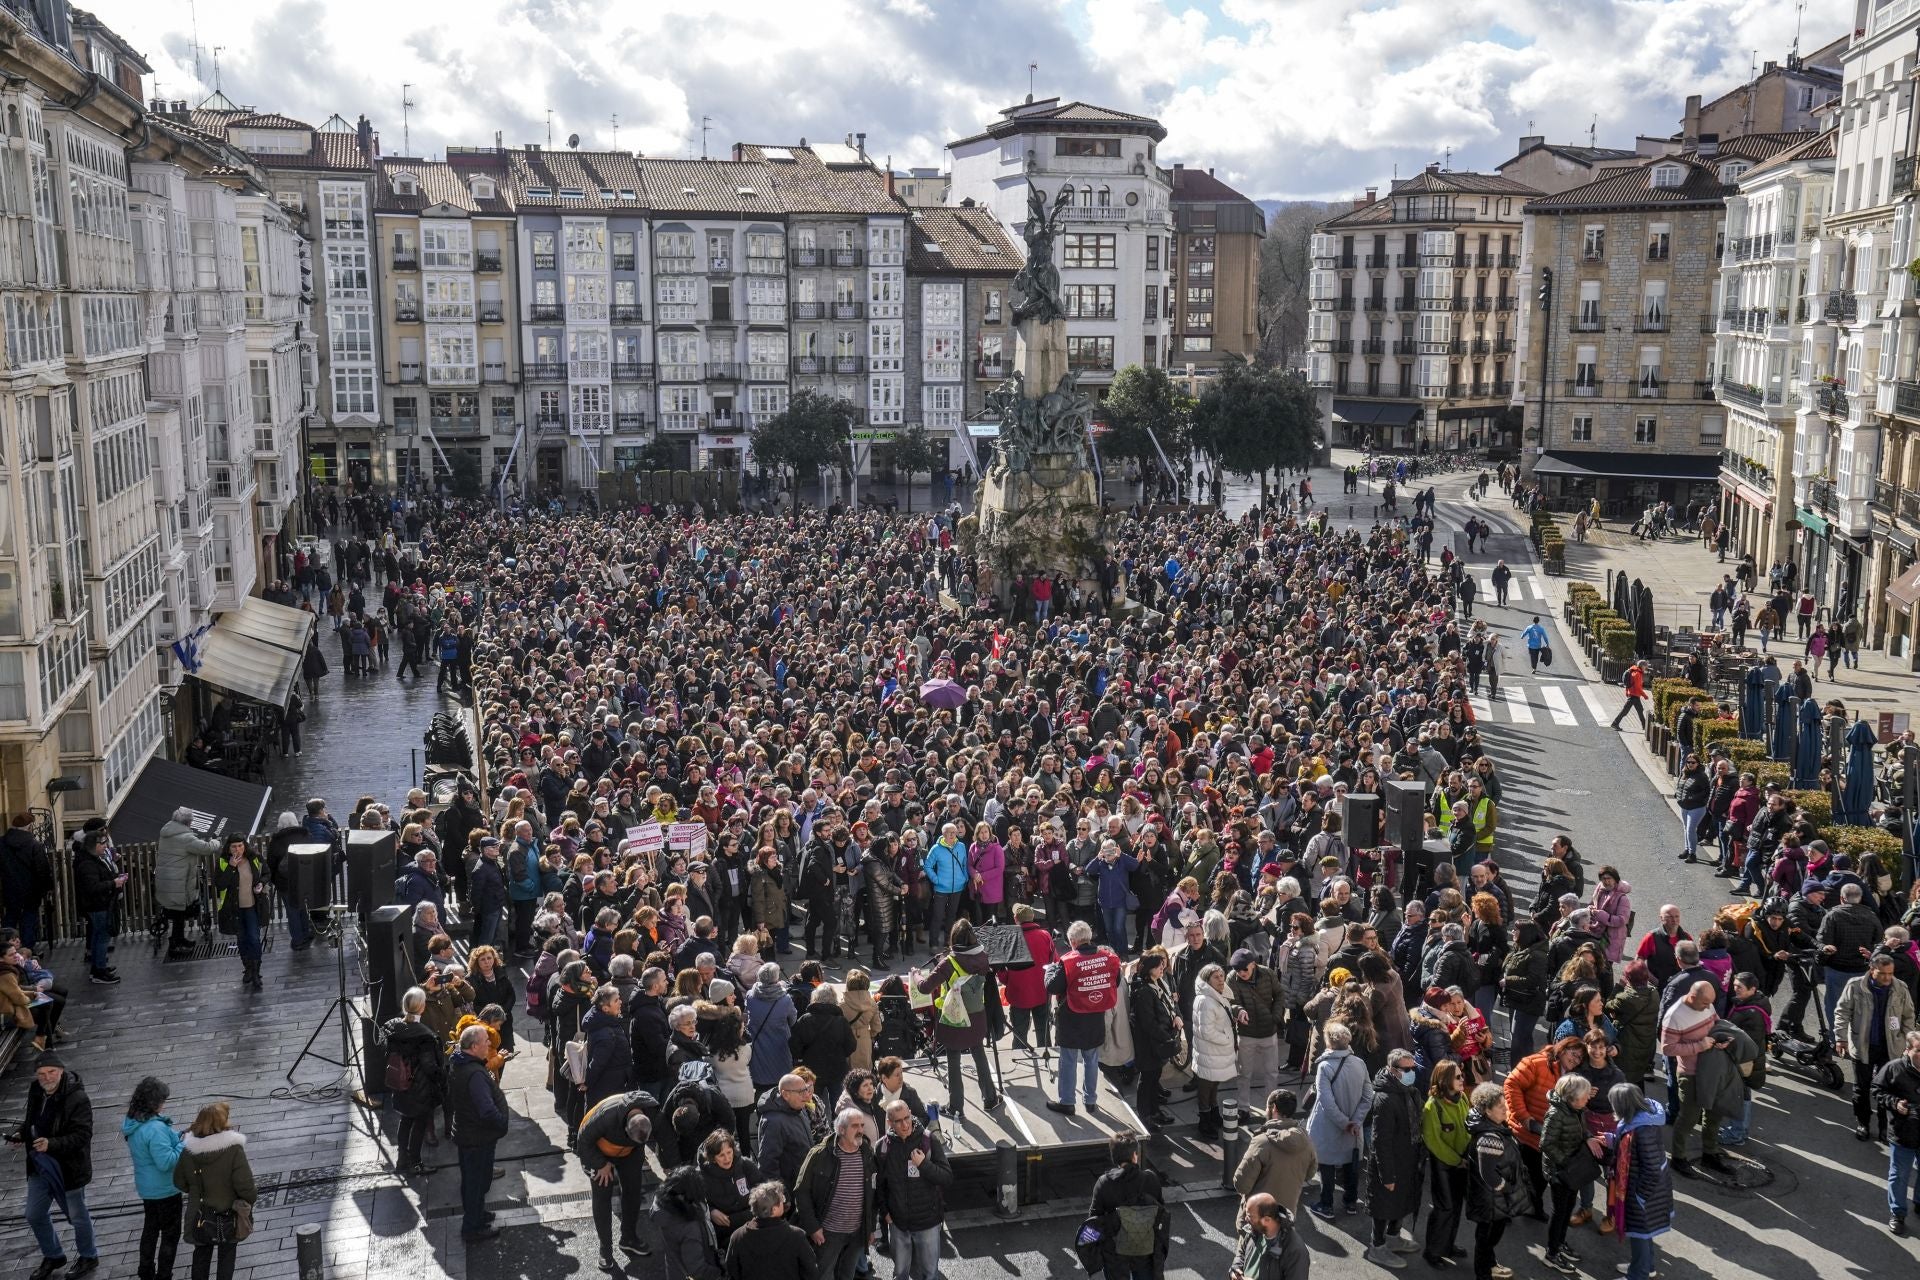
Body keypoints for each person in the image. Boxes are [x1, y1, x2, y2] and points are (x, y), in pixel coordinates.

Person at [10, 1055, 100, 1280]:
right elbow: (32, 1120)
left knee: (77, 1216)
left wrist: (52, 1144)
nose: (46, 1077)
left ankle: (89, 1256)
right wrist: (22, 1133)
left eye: (50, 1072)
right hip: (40, 1165)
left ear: (61, 1070)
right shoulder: (36, 1090)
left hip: (68, 1169)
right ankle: (53, 1255)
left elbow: (83, 1135)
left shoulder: (77, 1098)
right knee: (34, 1213)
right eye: (41, 1073)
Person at [913, 919, 1003, 1119]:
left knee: (953, 1059)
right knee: (979, 1052)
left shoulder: (949, 963)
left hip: (954, 1018)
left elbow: (924, 987)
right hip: (977, 1015)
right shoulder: (982, 956)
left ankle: (956, 1107)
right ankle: (990, 1098)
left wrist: (917, 975)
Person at [1837, 954, 1917, 1142]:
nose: (1887, 978)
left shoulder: (1900, 988)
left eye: (1890, 974)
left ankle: (1884, 1127)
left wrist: (1906, 1042)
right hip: (1863, 1046)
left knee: (1886, 1090)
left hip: (1890, 1049)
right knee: (1861, 1089)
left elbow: (1908, 1017)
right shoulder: (1855, 986)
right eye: (1882, 974)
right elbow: (1842, 1012)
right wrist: (1841, 1039)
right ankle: (1863, 1123)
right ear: (1872, 970)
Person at [1045, 918, 1122, 1115]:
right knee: (1091, 1059)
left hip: (1072, 1018)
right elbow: (1117, 981)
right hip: (1096, 1016)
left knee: (1068, 1060)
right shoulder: (1110, 958)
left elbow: (1052, 987)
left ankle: (1067, 1102)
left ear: (1073, 941)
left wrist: (1050, 971)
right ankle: (1090, 1101)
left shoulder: (1068, 961)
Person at [172, 1102, 255, 1280]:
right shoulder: (233, 1149)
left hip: (200, 1215)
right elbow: (245, 1185)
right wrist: (249, 1200)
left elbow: (179, 1181)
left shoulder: (189, 1150)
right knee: (227, 1255)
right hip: (229, 1214)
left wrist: (195, 1189)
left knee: (201, 1254)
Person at [792, 1108, 876, 1280]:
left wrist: (870, 1227)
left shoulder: (867, 1152)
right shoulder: (820, 1154)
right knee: (824, 1275)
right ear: (841, 1130)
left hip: (857, 1232)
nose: (860, 1130)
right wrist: (813, 1227)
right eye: (855, 1126)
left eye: (862, 1125)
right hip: (828, 1232)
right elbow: (801, 1192)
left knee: (847, 1274)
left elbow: (873, 1194)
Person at [875, 1099, 952, 1280]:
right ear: (889, 1123)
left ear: (911, 1113)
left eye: (907, 1118)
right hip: (898, 1224)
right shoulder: (882, 1147)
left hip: (927, 1223)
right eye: (898, 1121)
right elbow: (879, 1185)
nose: (905, 1124)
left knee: (929, 1274)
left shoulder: (928, 1139)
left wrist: (923, 1164)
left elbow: (947, 1177)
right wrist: (885, 1212)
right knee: (900, 1272)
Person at [1365, 1046, 1426, 1268]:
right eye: (1406, 1068)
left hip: (1407, 1159)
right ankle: (1378, 1247)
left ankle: (1393, 1237)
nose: (1412, 1072)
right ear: (1392, 1070)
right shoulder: (1385, 1098)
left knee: (1401, 1202)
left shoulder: (1408, 1091)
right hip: (1389, 1163)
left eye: (1413, 1068)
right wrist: (1387, 1175)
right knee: (1384, 1206)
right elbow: (1380, 1141)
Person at [449, 1023, 511, 1241]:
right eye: (486, 1041)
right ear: (474, 1046)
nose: (489, 1044)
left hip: (469, 1133)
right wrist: (501, 1122)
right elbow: (486, 1109)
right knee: (476, 1182)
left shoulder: (462, 1064)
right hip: (477, 1137)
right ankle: (473, 1227)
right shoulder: (474, 1074)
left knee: (473, 1180)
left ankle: (477, 1214)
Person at [1306, 1021, 1372, 1219]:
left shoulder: (1324, 1066)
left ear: (1328, 1042)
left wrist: (1344, 1123)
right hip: (1353, 1128)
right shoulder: (1359, 1063)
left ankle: (1326, 1204)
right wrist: (1355, 1122)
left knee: (1326, 1165)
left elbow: (1326, 1101)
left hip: (1328, 1126)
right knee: (1350, 1164)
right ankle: (1350, 1202)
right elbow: (1368, 1096)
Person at [1539, 1073, 1603, 1274]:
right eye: (1584, 1097)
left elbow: (1582, 1129)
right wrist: (1566, 1163)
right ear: (1571, 1097)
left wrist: (1589, 1137)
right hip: (1561, 1172)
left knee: (1567, 1208)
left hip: (1572, 1170)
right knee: (1559, 1213)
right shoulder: (1556, 1114)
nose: (1587, 1100)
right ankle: (1552, 1252)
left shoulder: (1576, 1109)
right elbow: (1546, 1144)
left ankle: (1560, 1243)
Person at [1464, 1081, 1529, 1280]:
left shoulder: (1496, 1126)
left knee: (1491, 1235)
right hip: (1490, 1199)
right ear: (1486, 1110)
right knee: (1486, 1238)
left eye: (1504, 1103)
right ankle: (1483, 1274)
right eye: (1500, 1106)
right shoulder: (1489, 1137)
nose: (1505, 1108)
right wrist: (1506, 1188)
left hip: (1495, 1199)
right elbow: (1489, 1174)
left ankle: (1490, 1264)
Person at [1607, 1084, 1672, 1280]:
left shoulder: (1641, 1130)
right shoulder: (1643, 1121)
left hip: (1641, 1193)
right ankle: (1646, 1266)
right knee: (1645, 1232)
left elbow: (1651, 1169)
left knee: (1639, 1234)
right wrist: (1612, 1140)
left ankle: (1638, 1274)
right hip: (1649, 1191)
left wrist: (1640, 1196)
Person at [382, 986, 447, 1176]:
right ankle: (415, 1163)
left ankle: (402, 1160)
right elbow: (429, 1066)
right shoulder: (424, 1035)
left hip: (401, 1085)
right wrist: (442, 1077)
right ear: (422, 1007)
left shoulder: (394, 1028)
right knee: (419, 1125)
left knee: (405, 1121)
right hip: (421, 1088)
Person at [124, 1076, 184, 1280]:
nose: (164, 1104)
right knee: (170, 1234)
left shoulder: (133, 1120)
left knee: (150, 1229)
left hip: (147, 1188)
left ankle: (145, 1270)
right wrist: (184, 1144)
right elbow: (166, 1162)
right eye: (162, 1100)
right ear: (154, 1102)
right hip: (165, 1189)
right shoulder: (156, 1129)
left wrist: (175, 1137)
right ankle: (164, 1275)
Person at [1089, 1132, 1167, 1280]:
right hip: (1145, 1249)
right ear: (1134, 1156)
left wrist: (1096, 1255)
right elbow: (1160, 1210)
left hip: (1115, 1252)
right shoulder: (1150, 1179)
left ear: (1114, 1157)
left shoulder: (1104, 1183)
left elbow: (1093, 1220)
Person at [1234, 1088, 1317, 1218]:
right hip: (1286, 1215)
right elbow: (1309, 1174)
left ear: (1274, 1109)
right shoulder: (1305, 1141)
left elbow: (1241, 1184)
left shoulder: (1261, 1142)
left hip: (1257, 1216)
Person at [1420, 1059, 1471, 1267]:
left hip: (1462, 1163)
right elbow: (1433, 1141)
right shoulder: (1433, 1106)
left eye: (1462, 1075)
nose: (1462, 1079)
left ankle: (1447, 1245)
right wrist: (1456, 1160)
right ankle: (1432, 1251)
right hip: (1444, 1165)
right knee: (1444, 1208)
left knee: (1456, 1207)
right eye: (1458, 1076)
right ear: (1445, 1080)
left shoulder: (1462, 1097)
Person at [1228, 946, 1287, 1119]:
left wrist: (1276, 1016)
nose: (1241, 973)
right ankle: (1243, 1108)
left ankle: (1271, 1108)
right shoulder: (1233, 979)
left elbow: (1280, 994)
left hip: (1268, 1031)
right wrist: (1239, 1011)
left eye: (1244, 968)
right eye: (1237, 969)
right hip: (1246, 1033)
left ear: (1253, 964)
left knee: (1271, 1073)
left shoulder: (1268, 974)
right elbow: (1231, 1001)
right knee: (1244, 1073)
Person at [155, 807, 221, 959]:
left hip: (168, 881)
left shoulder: (167, 832)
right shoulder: (185, 838)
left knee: (177, 913)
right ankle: (176, 946)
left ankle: (180, 940)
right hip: (177, 883)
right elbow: (206, 848)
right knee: (179, 914)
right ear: (188, 822)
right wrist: (216, 842)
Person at [1874, 1028, 1920, 1233]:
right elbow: (1876, 1091)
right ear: (1908, 1050)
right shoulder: (1894, 1069)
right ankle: (1898, 1213)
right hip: (1903, 1133)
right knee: (1900, 1175)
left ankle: (1919, 1202)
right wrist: (1895, 1104)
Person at [723, 1180, 814, 1280]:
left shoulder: (737, 1236)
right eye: (782, 1199)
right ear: (774, 1209)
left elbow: (732, 1270)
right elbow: (810, 1271)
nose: (784, 1202)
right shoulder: (797, 1236)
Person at [1193, 962, 1244, 1138]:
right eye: (1216, 977)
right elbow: (1206, 1031)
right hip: (1210, 1052)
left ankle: (1213, 1114)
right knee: (1206, 1087)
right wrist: (1228, 1039)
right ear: (1208, 980)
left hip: (1216, 1052)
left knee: (1214, 1085)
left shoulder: (1216, 996)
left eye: (1222, 976)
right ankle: (1204, 1121)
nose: (1221, 980)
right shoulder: (1206, 1000)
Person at [213, 834, 269, 993]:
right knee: (242, 938)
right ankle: (248, 968)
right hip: (234, 909)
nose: (237, 849)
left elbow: (266, 873)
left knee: (253, 937)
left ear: (245, 845)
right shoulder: (223, 862)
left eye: (240, 845)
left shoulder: (255, 858)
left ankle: (257, 971)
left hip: (252, 906)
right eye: (234, 846)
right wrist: (231, 867)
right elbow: (220, 884)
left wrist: (261, 883)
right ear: (228, 848)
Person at [653, 1164, 723, 1280]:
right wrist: (719, 1273)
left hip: (674, 1270)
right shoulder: (690, 1228)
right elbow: (697, 1269)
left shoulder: (662, 1206)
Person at [0, 812, 54, 947]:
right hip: (31, 891)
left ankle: (6, 950)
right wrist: (47, 888)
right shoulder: (34, 845)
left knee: (10, 920)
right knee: (29, 922)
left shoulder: (1, 843)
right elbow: (42, 870)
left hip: (9, 890)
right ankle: (27, 953)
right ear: (29, 827)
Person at [1229, 1191, 1308, 1280]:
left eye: (1250, 1216)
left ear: (1266, 1220)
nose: (1246, 1219)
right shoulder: (1254, 1229)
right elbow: (1241, 1252)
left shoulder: (1295, 1251)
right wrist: (1236, 1268)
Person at [1608, 661, 1647, 731]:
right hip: (1634, 696)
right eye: (1645, 666)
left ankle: (1645, 726)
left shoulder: (1634, 672)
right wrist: (1644, 695)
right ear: (1642, 666)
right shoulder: (1637, 674)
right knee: (1625, 711)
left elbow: (1628, 684)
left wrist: (1627, 692)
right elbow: (1638, 687)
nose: (1646, 668)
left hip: (1633, 695)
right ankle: (1615, 723)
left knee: (1640, 710)